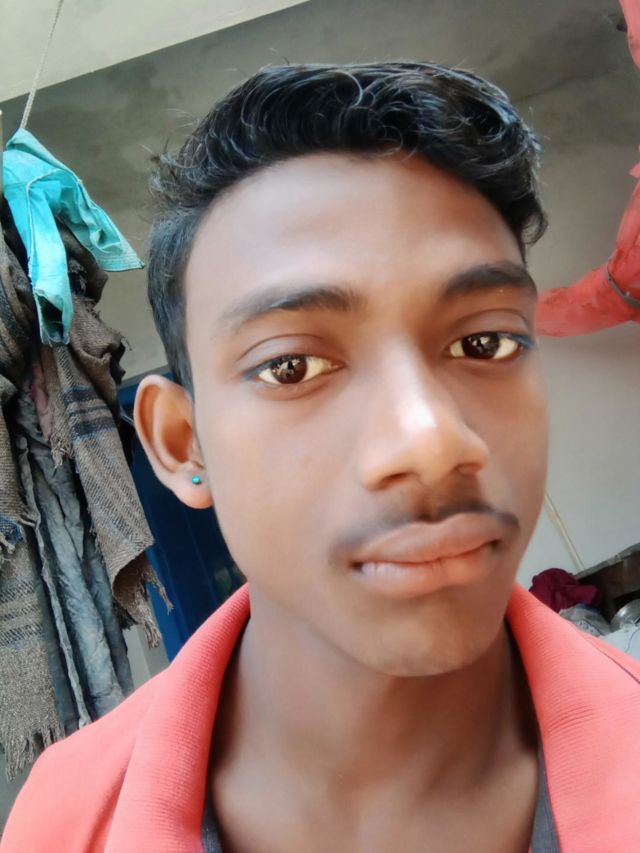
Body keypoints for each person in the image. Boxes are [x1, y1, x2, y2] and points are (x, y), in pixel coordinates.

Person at [3, 61, 639, 853]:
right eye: (292, 365)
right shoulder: (63, 821)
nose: (430, 438)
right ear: (181, 443)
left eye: (485, 342)